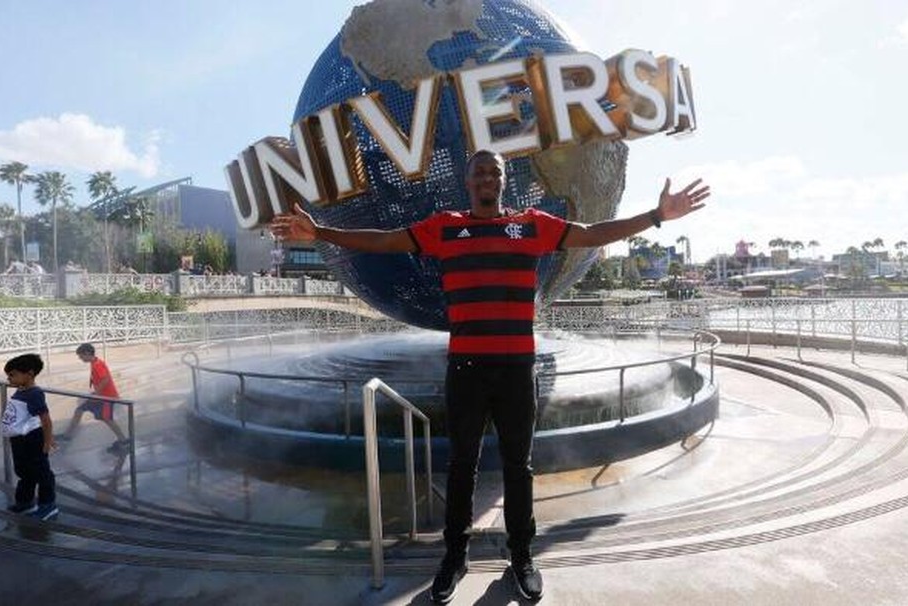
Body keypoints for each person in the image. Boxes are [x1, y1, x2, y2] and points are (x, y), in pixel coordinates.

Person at [270, 150, 710, 603]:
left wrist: (657, 215)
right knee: (463, 468)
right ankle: (453, 558)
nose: (486, 177)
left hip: (517, 370)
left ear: (503, 181)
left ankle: (521, 557)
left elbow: (592, 233)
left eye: (494, 171)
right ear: (468, 181)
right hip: (467, 371)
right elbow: (383, 241)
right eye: (478, 171)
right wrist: (320, 231)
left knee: (519, 468)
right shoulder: (445, 227)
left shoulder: (532, 225)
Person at [1, 353, 59, 520]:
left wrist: (48, 440)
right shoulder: (21, 390)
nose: (9, 378)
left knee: (42, 472)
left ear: (30, 374)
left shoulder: (34, 393)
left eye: (13, 374)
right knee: (23, 470)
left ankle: (48, 506)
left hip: (33, 438)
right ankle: (25, 501)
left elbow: (45, 419)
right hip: (19, 439)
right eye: (8, 375)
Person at [58, 343, 131, 453]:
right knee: (79, 410)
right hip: (100, 396)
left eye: (81, 356)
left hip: (107, 397)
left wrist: (96, 393)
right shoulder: (95, 363)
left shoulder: (97, 364)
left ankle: (124, 441)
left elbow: (105, 379)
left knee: (107, 419)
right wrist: (96, 393)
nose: (80, 358)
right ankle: (67, 436)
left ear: (87, 353)